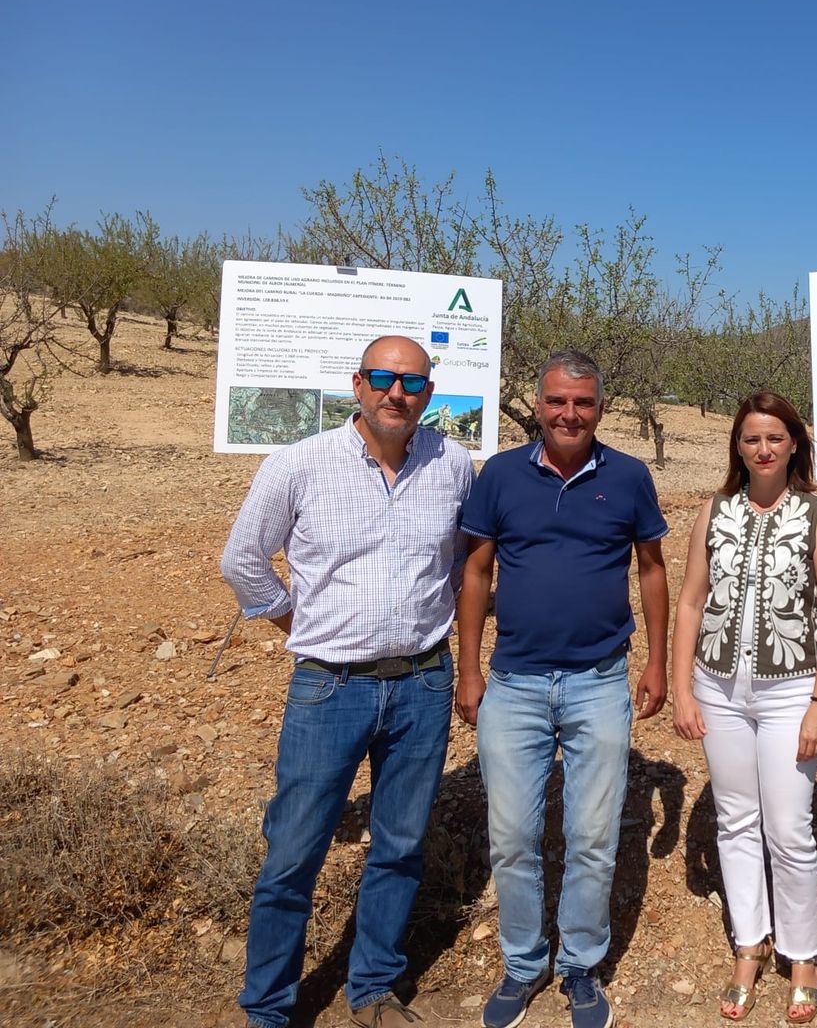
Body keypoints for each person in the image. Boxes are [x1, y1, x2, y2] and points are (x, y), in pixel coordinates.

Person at [221, 335, 474, 1028]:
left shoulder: (453, 464)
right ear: (358, 384)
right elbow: (243, 559)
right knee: (294, 853)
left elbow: (460, 565)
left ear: (430, 392)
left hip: (423, 685)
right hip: (329, 688)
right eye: (385, 379)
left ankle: (373, 990)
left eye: (414, 383)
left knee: (399, 846)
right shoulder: (299, 465)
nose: (399, 393)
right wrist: (295, 626)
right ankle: (269, 1008)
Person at [454, 349, 670, 1028]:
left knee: (593, 835)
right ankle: (523, 966)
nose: (568, 413)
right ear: (538, 405)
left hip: (599, 680)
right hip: (514, 682)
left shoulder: (630, 477)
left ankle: (580, 965)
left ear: (600, 408)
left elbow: (654, 570)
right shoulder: (500, 475)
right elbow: (477, 572)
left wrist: (657, 662)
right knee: (513, 835)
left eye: (582, 403)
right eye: (556, 401)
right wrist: (468, 668)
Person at [671, 392, 817, 1024]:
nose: (764, 449)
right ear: (737, 447)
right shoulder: (714, 512)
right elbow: (690, 601)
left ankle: (805, 953)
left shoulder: (815, 515)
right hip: (719, 686)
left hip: (791, 689)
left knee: (790, 828)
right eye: (751, 439)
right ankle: (750, 942)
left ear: (794, 444)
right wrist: (683, 686)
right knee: (734, 819)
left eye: (776, 438)